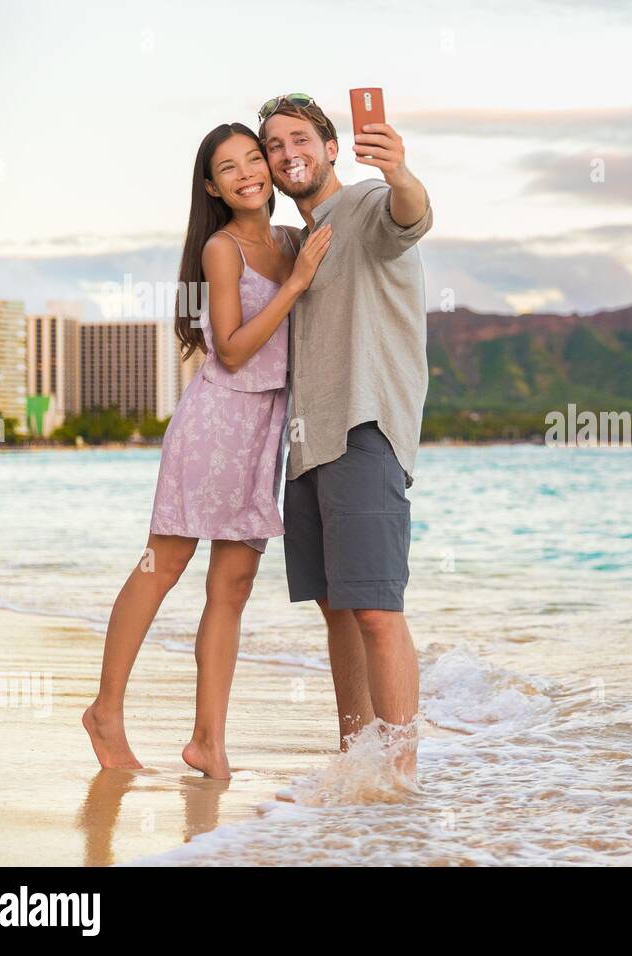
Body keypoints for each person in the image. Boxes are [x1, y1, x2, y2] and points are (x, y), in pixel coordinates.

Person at [82, 122, 331, 779]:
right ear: (211, 186)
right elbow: (232, 347)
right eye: (230, 167)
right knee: (162, 563)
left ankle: (207, 741)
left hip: (266, 427)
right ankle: (105, 711)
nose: (249, 171)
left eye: (257, 157)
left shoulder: (290, 240)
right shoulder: (224, 249)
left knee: (235, 585)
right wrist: (298, 282)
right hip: (216, 420)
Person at [257, 93, 432, 781]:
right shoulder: (297, 243)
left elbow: (409, 216)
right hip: (310, 443)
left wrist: (401, 173)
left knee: (377, 609)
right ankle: (356, 762)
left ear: (331, 147)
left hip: (364, 427)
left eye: (299, 138)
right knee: (338, 610)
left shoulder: (364, 204)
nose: (286, 152)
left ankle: (400, 777)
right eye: (273, 144)